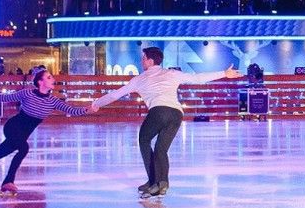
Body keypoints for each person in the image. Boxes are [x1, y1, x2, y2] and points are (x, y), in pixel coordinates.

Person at [87, 47, 235, 197]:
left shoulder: (139, 79)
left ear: (150, 61)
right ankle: (162, 183)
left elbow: (114, 95)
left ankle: (153, 181)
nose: (141, 61)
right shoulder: (171, 73)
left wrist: (95, 104)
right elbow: (197, 78)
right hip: (177, 114)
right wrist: (224, 73)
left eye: (143, 58)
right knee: (160, 149)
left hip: (159, 111)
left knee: (144, 140)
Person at [0, 66, 89, 195]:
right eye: (49, 77)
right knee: (24, 148)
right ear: (40, 82)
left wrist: (87, 109)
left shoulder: (53, 101)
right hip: (12, 128)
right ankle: (8, 181)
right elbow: (7, 97)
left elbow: (71, 110)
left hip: (22, 135)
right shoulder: (27, 93)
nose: (53, 79)